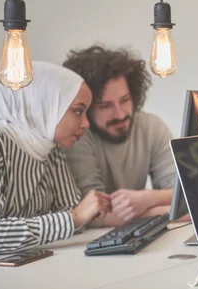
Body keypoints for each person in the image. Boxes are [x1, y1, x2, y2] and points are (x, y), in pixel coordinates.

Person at [0, 61, 111, 255]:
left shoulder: (50, 148)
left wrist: (73, 218)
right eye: (78, 111)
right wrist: (74, 217)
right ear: (43, 104)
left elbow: (73, 220)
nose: (86, 123)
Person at [62, 45, 177, 227]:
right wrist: (165, 210)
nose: (120, 114)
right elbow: (93, 213)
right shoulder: (77, 137)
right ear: (86, 108)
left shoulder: (151, 127)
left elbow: (185, 190)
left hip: (137, 233)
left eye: (125, 100)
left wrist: (148, 198)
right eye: (105, 106)